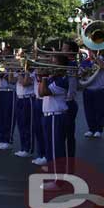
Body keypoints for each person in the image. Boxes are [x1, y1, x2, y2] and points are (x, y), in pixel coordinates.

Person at [38, 54, 69, 189]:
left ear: (61, 65)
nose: (50, 65)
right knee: (50, 148)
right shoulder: (53, 78)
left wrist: (44, 77)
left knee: (56, 149)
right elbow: (39, 92)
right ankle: (54, 176)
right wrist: (43, 78)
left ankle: (59, 181)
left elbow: (44, 92)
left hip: (56, 116)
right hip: (49, 115)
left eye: (53, 62)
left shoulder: (62, 80)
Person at [81, 49, 104, 138]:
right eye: (89, 50)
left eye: (92, 50)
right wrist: (84, 72)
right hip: (88, 90)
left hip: (99, 90)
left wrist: (95, 58)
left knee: (100, 111)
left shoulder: (102, 60)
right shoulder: (85, 62)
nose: (90, 52)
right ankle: (91, 129)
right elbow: (81, 75)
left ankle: (99, 129)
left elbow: (103, 66)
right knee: (89, 111)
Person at [62, 40, 80, 173]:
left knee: (68, 137)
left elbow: (72, 86)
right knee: (60, 137)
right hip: (62, 103)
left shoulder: (71, 65)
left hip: (68, 103)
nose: (61, 51)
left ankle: (69, 167)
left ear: (71, 52)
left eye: (64, 49)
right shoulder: (65, 64)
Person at [14, 60, 34, 158]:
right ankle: (23, 147)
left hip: (28, 98)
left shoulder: (32, 72)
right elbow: (10, 80)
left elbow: (25, 83)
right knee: (21, 124)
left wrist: (20, 74)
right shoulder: (20, 72)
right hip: (19, 98)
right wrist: (11, 69)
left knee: (27, 125)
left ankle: (28, 148)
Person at [0, 68, 15, 151]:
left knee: (8, 117)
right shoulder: (0, 65)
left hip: (10, 91)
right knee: (0, 118)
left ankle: (8, 141)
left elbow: (12, 81)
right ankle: (2, 139)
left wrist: (3, 74)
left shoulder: (14, 65)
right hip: (0, 91)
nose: (2, 54)